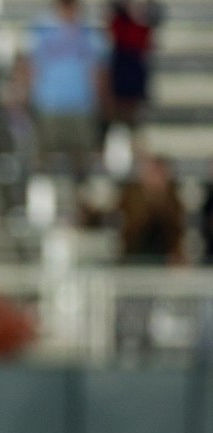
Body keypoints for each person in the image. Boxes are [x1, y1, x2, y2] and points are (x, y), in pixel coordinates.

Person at [25, 0, 108, 180]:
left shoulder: (89, 32)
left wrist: (101, 101)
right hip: (49, 103)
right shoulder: (41, 30)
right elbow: (29, 67)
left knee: (82, 161)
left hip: (82, 105)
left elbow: (99, 71)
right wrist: (23, 95)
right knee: (45, 160)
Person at [116, 154, 184, 264]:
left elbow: (175, 232)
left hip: (164, 259)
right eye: (153, 173)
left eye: (160, 173)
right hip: (134, 256)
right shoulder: (131, 196)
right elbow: (131, 230)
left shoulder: (173, 200)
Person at [106, 0, 163, 129]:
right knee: (121, 106)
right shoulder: (120, 23)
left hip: (133, 68)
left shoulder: (140, 26)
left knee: (131, 108)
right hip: (123, 67)